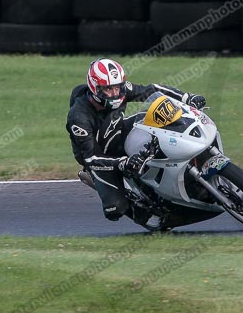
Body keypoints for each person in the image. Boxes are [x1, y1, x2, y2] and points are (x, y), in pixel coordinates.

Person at [66, 58, 207, 227]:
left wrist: (187, 97)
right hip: (100, 158)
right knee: (115, 209)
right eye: (108, 89)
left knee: (160, 122)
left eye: (117, 87)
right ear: (95, 88)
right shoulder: (78, 117)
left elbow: (151, 90)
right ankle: (140, 208)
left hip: (118, 131)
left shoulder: (122, 90)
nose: (114, 93)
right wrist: (123, 162)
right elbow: (90, 157)